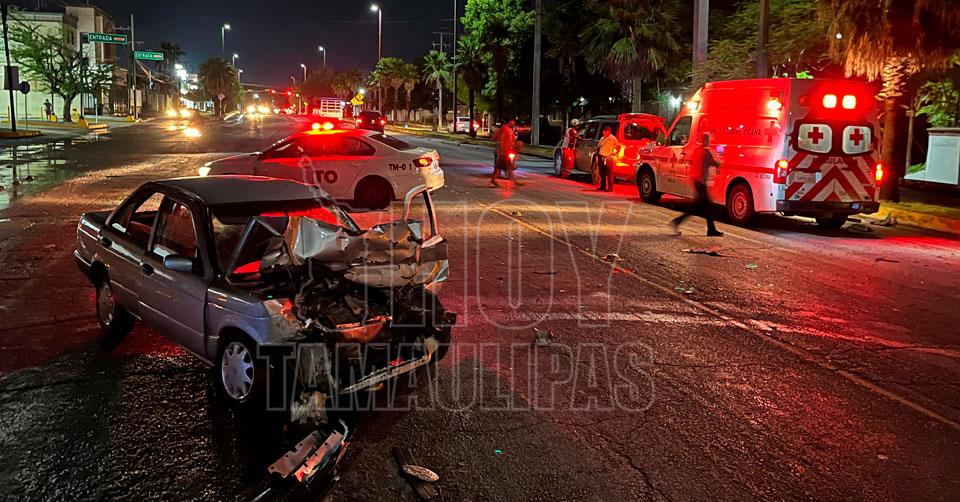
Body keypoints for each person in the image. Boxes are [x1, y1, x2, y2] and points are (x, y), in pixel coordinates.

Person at [670, 133, 723, 237]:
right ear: (706, 140)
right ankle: (710, 230)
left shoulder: (697, 150)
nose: (709, 141)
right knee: (706, 207)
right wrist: (720, 157)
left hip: (696, 181)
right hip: (701, 182)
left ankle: (710, 229)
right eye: (708, 140)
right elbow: (715, 163)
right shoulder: (706, 152)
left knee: (699, 207)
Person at [491, 118, 519, 187]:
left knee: (504, 167)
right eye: (512, 122)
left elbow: (513, 140)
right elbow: (497, 138)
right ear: (509, 122)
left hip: (507, 151)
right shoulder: (504, 129)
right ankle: (515, 182)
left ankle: (515, 182)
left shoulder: (510, 130)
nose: (513, 124)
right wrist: (501, 148)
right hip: (503, 151)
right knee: (504, 167)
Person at [595, 126, 620, 192]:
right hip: (601, 156)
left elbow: (618, 146)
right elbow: (598, 147)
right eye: (605, 131)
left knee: (609, 173)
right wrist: (597, 155)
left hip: (608, 157)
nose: (605, 133)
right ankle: (602, 186)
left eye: (608, 131)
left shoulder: (613, 138)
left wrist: (615, 153)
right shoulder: (602, 138)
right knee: (601, 172)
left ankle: (610, 188)